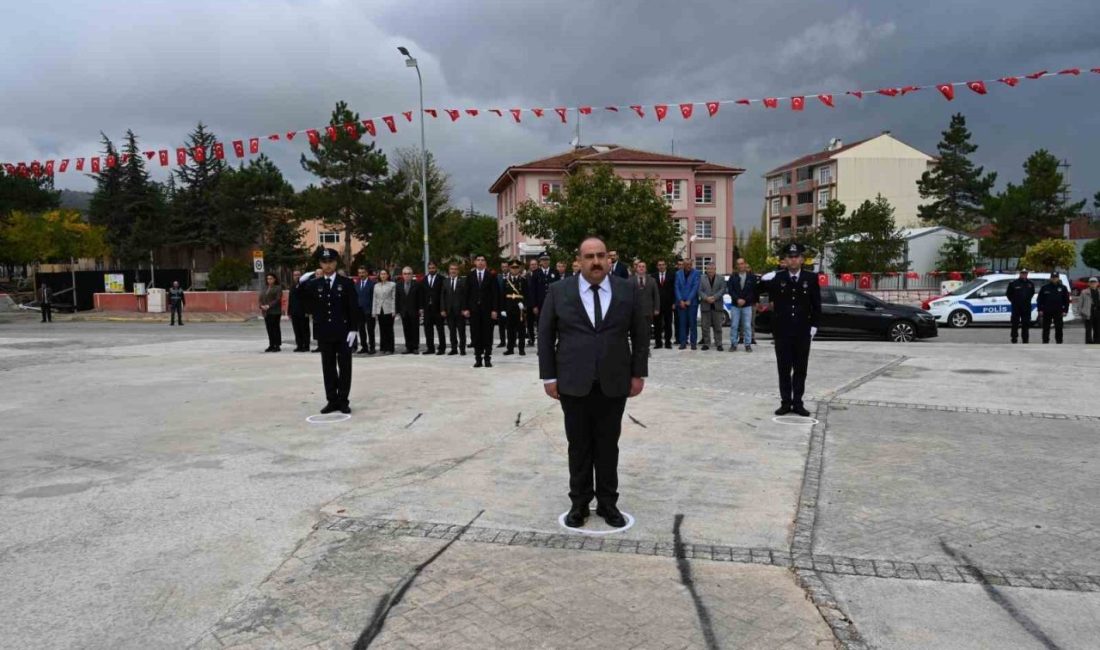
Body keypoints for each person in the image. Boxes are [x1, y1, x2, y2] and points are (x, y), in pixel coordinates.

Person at [538, 236, 649, 529]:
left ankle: (608, 503)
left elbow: (640, 333)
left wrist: (638, 373)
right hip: (573, 382)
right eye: (589, 256)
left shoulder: (627, 290)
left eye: (601, 255)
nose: (596, 261)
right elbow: (545, 336)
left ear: (609, 259)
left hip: (615, 381)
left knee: (608, 444)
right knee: (579, 445)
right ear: (579, 261)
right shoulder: (558, 291)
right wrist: (549, 376)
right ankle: (579, 502)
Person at [756, 243, 821, 417]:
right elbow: (756, 291)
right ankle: (785, 402)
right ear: (785, 260)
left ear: (801, 259)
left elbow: (817, 305)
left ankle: (798, 403)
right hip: (782, 331)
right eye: (790, 257)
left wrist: (814, 326)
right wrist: (762, 279)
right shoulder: (777, 278)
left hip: (802, 331)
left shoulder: (811, 278)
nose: (793, 260)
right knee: (784, 368)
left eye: (796, 256)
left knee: (800, 368)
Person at [298, 249, 360, 414]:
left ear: (336, 263)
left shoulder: (346, 283)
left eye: (331, 261)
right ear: (320, 264)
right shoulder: (315, 284)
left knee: (345, 367)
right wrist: (302, 280)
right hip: (324, 333)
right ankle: (332, 400)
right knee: (328, 367)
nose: (328, 265)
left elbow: (353, 308)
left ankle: (343, 400)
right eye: (324, 262)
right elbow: (301, 297)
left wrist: (354, 329)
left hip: (344, 332)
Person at [463, 254, 501, 368]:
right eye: (478, 260)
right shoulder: (470, 276)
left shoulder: (491, 276)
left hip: (487, 311)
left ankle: (487, 358)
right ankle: (478, 359)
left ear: (485, 263)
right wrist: (465, 308)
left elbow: (495, 294)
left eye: (482, 260)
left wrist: (495, 310)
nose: (480, 262)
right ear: (475, 262)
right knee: (476, 335)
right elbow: (466, 294)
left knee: (487, 335)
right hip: (474, 311)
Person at [727, 258, 757, 352]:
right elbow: (730, 290)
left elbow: (753, 291)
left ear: (745, 264)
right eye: (738, 264)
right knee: (734, 325)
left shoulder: (752, 277)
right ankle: (733, 344)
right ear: (737, 266)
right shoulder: (733, 277)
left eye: (742, 263)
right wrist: (737, 299)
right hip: (735, 305)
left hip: (747, 305)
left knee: (747, 325)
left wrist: (744, 300)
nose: (740, 266)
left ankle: (747, 344)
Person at [502, 259, 529, 356]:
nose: (514, 269)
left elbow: (527, 294)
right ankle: (510, 348)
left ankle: (521, 349)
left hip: (519, 309)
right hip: (509, 307)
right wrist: (503, 309)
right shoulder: (505, 281)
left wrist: (524, 304)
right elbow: (503, 296)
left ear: (519, 268)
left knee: (521, 330)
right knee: (510, 330)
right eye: (513, 267)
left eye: (516, 267)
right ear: (509, 268)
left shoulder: (523, 280)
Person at [698, 262, 726, 351]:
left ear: (715, 269)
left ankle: (719, 344)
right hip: (705, 305)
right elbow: (699, 290)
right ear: (706, 269)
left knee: (718, 326)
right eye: (708, 269)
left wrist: (714, 297)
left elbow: (723, 289)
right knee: (705, 326)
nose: (710, 270)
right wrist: (706, 298)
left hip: (717, 305)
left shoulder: (721, 278)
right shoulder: (701, 278)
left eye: (712, 269)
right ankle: (706, 343)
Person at [396, 266, 424, 354]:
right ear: (402, 275)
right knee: (406, 329)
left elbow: (420, 298)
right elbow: (398, 299)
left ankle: (415, 347)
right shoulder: (399, 285)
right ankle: (408, 347)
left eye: (409, 274)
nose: (407, 275)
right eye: (405, 274)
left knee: (415, 330)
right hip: (404, 311)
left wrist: (421, 308)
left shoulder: (417, 284)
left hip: (414, 311)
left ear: (412, 275)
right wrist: (398, 311)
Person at [633, 261, 660, 352]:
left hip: (648, 310)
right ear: (636, 268)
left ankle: (646, 349)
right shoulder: (630, 281)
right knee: (636, 332)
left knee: (647, 331)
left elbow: (656, 295)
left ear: (646, 269)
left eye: (643, 266)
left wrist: (656, 308)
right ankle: (636, 349)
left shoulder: (652, 281)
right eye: (639, 266)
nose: (641, 268)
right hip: (634, 311)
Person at [441, 263, 467, 355]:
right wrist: (443, 309)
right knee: (452, 331)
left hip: (460, 311)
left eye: (455, 269)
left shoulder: (463, 281)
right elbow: (442, 296)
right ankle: (454, 349)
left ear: (458, 271)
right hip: (449, 311)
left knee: (461, 331)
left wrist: (465, 309)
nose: (453, 271)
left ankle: (462, 349)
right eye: (452, 269)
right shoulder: (445, 281)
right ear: (449, 270)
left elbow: (465, 297)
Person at [1037, 272, 1070, 344]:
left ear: (1058, 278)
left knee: (1059, 328)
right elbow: (1039, 300)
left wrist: (1065, 311)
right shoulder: (1045, 287)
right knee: (1046, 328)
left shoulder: (1063, 288)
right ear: (1050, 278)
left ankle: (1059, 342)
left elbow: (1066, 300)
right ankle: (1045, 342)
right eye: (1053, 277)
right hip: (1047, 311)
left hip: (1058, 311)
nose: (1054, 279)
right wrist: (1040, 309)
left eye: (1055, 277)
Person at [421, 262, 446, 355]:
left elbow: (444, 294)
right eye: (430, 268)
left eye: (433, 268)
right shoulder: (424, 280)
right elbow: (422, 294)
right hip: (427, 309)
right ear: (428, 269)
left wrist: (444, 308)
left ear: (436, 268)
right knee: (428, 329)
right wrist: (421, 307)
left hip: (438, 308)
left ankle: (442, 348)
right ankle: (430, 348)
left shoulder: (442, 279)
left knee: (440, 329)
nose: (431, 269)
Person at [675, 259, 700, 350]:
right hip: (681, 303)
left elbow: (695, 287)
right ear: (683, 265)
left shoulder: (696, 273)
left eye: (690, 264)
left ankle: (693, 343)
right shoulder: (678, 273)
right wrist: (680, 300)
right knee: (682, 324)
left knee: (692, 323)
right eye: (686, 264)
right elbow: (676, 287)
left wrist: (689, 299)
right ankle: (683, 342)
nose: (688, 266)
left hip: (692, 303)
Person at [1006, 268, 1035, 344]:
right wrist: (1014, 301)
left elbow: (1032, 293)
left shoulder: (1030, 284)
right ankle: (1014, 339)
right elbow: (1009, 294)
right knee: (1015, 324)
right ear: (1020, 273)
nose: (1024, 274)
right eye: (1022, 273)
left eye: (1025, 273)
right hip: (1016, 307)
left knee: (1025, 324)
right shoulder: (1013, 283)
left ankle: (1025, 340)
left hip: (1026, 307)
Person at [652, 259, 675, 349]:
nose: (661, 266)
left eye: (663, 264)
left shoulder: (671, 276)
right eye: (659, 265)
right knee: (657, 325)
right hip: (657, 304)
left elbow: (674, 290)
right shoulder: (653, 276)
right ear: (657, 266)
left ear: (666, 266)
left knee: (668, 324)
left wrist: (674, 302)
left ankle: (668, 342)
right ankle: (658, 343)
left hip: (668, 304)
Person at [372, 269, 396, 355]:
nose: (383, 275)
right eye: (381, 274)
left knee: (389, 329)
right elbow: (374, 299)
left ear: (388, 275)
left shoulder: (392, 285)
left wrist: (393, 310)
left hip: (389, 310)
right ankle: (383, 347)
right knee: (382, 329)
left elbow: (394, 298)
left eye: (384, 274)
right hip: (379, 310)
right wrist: (374, 311)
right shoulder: (376, 285)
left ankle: (390, 348)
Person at [354, 266, 376, 355]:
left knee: (370, 330)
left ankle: (372, 347)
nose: (361, 274)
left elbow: (374, 298)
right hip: (359, 311)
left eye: (363, 272)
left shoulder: (372, 284)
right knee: (361, 330)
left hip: (369, 310)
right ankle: (364, 347)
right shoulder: (356, 284)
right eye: (359, 273)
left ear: (367, 273)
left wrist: (374, 310)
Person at [259, 272, 283, 352]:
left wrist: (268, 306)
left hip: (275, 311)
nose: (269, 280)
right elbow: (260, 298)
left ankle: (277, 345)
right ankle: (271, 344)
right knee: (269, 329)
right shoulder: (265, 288)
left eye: (271, 278)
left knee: (275, 328)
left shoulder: (278, 288)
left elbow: (277, 299)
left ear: (274, 279)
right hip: (266, 312)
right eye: (268, 279)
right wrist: (261, 306)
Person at [288, 270, 312, 352]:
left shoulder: (305, 285)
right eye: (295, 275)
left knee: (304, 329)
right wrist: (289, 311)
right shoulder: (292, 286)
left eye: (298, 275)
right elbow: (290, 299)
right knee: (297, 329)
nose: (297, 276)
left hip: (303, 311)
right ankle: (299, 345)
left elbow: (307, 299)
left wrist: (307, 311)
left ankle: (306, 345)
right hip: (294, 311)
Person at [1078, 277, 1099, 344]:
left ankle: (1097, 341)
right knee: (1088, 329)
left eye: (1094, 282)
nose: (1093, 284)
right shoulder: (1084, 292)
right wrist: (1081, 313)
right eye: (1091, 282)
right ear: (1088, 284)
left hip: (1098, 312)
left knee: (1098, 329)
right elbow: (1080, 304)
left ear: (1097, 283)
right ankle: (1089, 342)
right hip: (1088, 312)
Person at [525, 259, 541, 345]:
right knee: (529, 322)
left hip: (538, 303)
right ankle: (531, 339)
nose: (533, 266)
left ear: (537, 265)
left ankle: (540, 339)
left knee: (539, 322)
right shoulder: (526, 276)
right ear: (529, 266)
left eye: (535, 264)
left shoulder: (540, 274)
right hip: (528, 303)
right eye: (532, 264)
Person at [496, 261, 509, 348]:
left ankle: (512, 341)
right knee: (501, 324)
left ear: (508, 267)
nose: (504, 268)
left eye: (506, 266)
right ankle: (502, 341)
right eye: (503, 267)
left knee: (510, 324)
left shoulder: (511, 277)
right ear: (501, 268)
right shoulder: (498, 277)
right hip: (500, 304)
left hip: (509, 304)